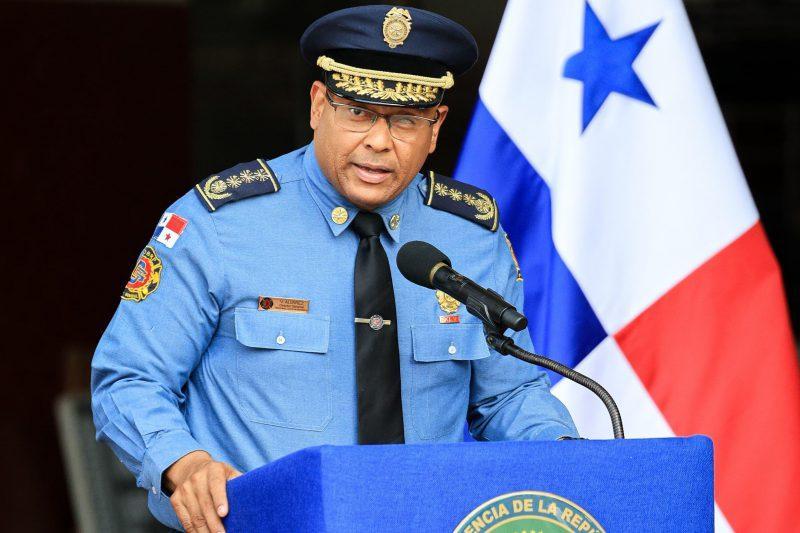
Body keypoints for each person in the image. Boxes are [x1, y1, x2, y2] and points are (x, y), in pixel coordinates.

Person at [91, 5, 578, 531]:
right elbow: (130, 377)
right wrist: (184, 465)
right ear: (318, 105)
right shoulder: (219, 225)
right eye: (358, 113)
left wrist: (571, 457)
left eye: (406, 121)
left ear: (436, 127)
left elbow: (508, 395)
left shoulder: (470, 236)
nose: (379, 142)